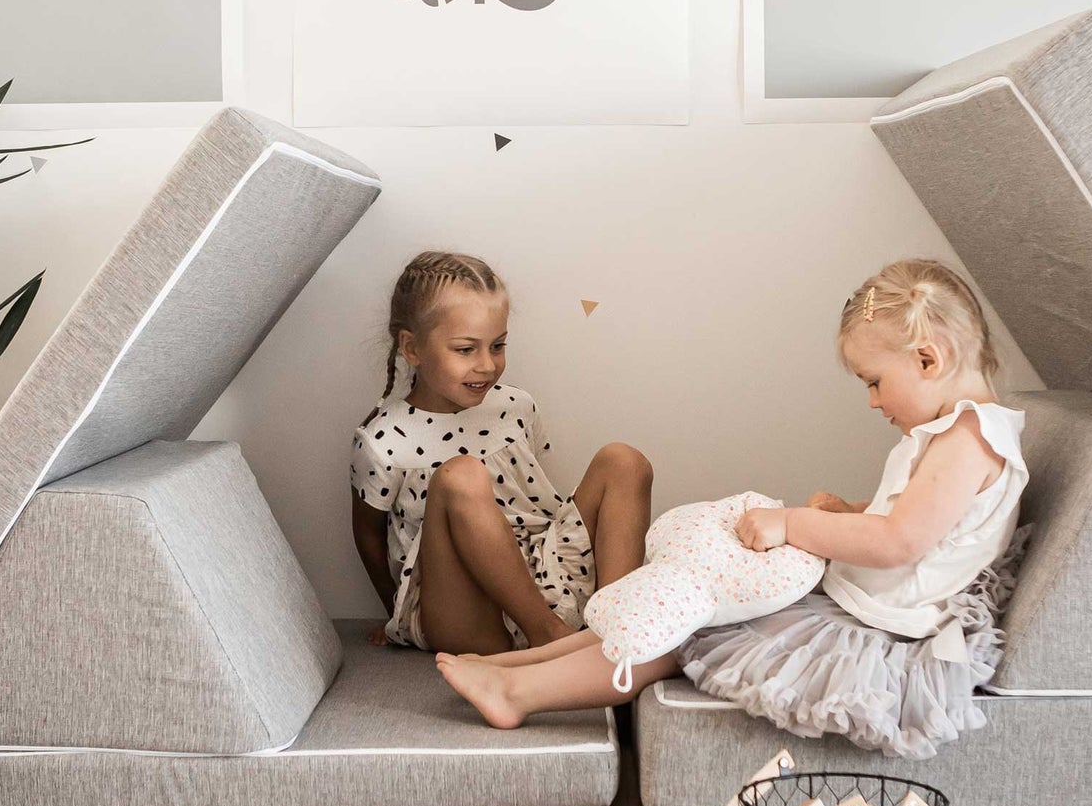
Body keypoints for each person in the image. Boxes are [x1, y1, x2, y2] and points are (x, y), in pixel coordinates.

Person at [438, 257, 1027, 729]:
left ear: (928, 358)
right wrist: (850, 512)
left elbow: (899, 542)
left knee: (683, 623)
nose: (873, 401)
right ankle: (514, 663)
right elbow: (916, 525)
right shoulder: (956, 433)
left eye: (875, 382)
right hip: (864, 598)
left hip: (879, 625)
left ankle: (519, 692)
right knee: (670, 596)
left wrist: (793, 524)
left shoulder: (967, 439)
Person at [351, 250, 653, 654]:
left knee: (624, 460)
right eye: (465, 349)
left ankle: (616, 630)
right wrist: (393, 617)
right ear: (412, 348)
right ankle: (547, 635)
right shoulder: (384, 438)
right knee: (461, 475)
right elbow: (368, 535)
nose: (487, 365)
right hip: (463, 607)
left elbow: (530, 503)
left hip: (540, 572)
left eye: (498, 345)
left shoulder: (515, 406)